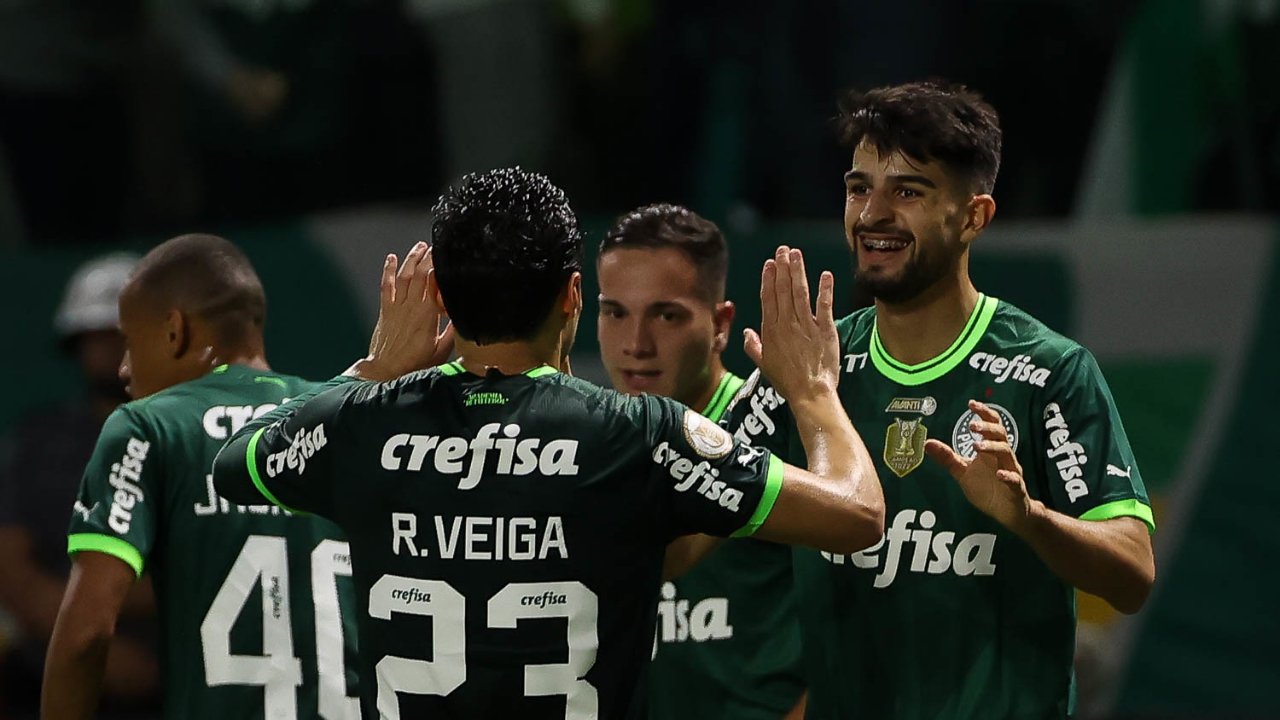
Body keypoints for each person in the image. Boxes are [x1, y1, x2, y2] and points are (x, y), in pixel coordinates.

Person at [211, 166, 884, 719]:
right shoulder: (636, 434)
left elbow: (236, 457)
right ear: (572, 297)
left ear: (440, 296)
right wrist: (815, 392)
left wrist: (373, 369)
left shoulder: (363, 424)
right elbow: (856, 514)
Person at [723, 80, 1157, 719]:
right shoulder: (808, 368)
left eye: (908, 191)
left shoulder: (1049, 372)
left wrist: (1027, 517)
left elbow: (1132, 571)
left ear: (975, 216)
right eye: (858, 187)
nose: (873, 214)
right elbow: (686, 530)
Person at [42, 234, 362, 719]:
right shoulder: (344, 418)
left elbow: (87, 634)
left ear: (174, 331)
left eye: (131, 340)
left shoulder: (148, 425)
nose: (125, 369)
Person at [595, 203, 805, 719]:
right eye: (615, 312)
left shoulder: (780, 434)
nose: (636, 345)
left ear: (721, 324)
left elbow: (857, 626)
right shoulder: (581, 447)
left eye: (667, 315)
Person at [0, 253, 160, 719]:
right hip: (52, 676)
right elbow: (11, 567)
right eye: (98, 337)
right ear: (77, 345)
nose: (113, 349)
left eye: (125, 334)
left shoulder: (201, 435)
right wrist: (94, 654)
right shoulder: (38, 442)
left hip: (184, 671)